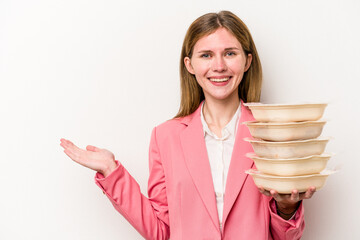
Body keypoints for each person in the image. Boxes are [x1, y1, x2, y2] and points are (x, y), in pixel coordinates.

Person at [60, 10, 316, 240]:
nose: (219, 66)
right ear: (190, 65)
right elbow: (161, 230)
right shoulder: (165, 137)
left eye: (230, 53)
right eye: (206, 55)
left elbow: (285, 237)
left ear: (247, 62)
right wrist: (111, 171)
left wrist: (287, 208)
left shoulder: (272, 133)